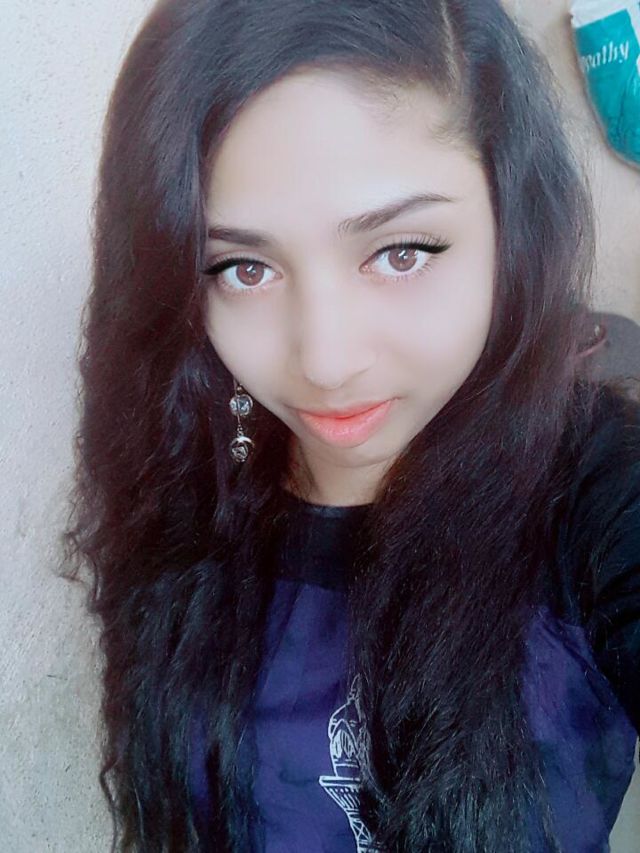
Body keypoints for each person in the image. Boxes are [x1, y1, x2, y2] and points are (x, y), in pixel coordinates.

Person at [59, 0, 640, 851]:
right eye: (243, 268)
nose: (325, 361)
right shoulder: (187, 477)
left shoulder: (597, 495)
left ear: (512, 229)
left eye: (401, 252)